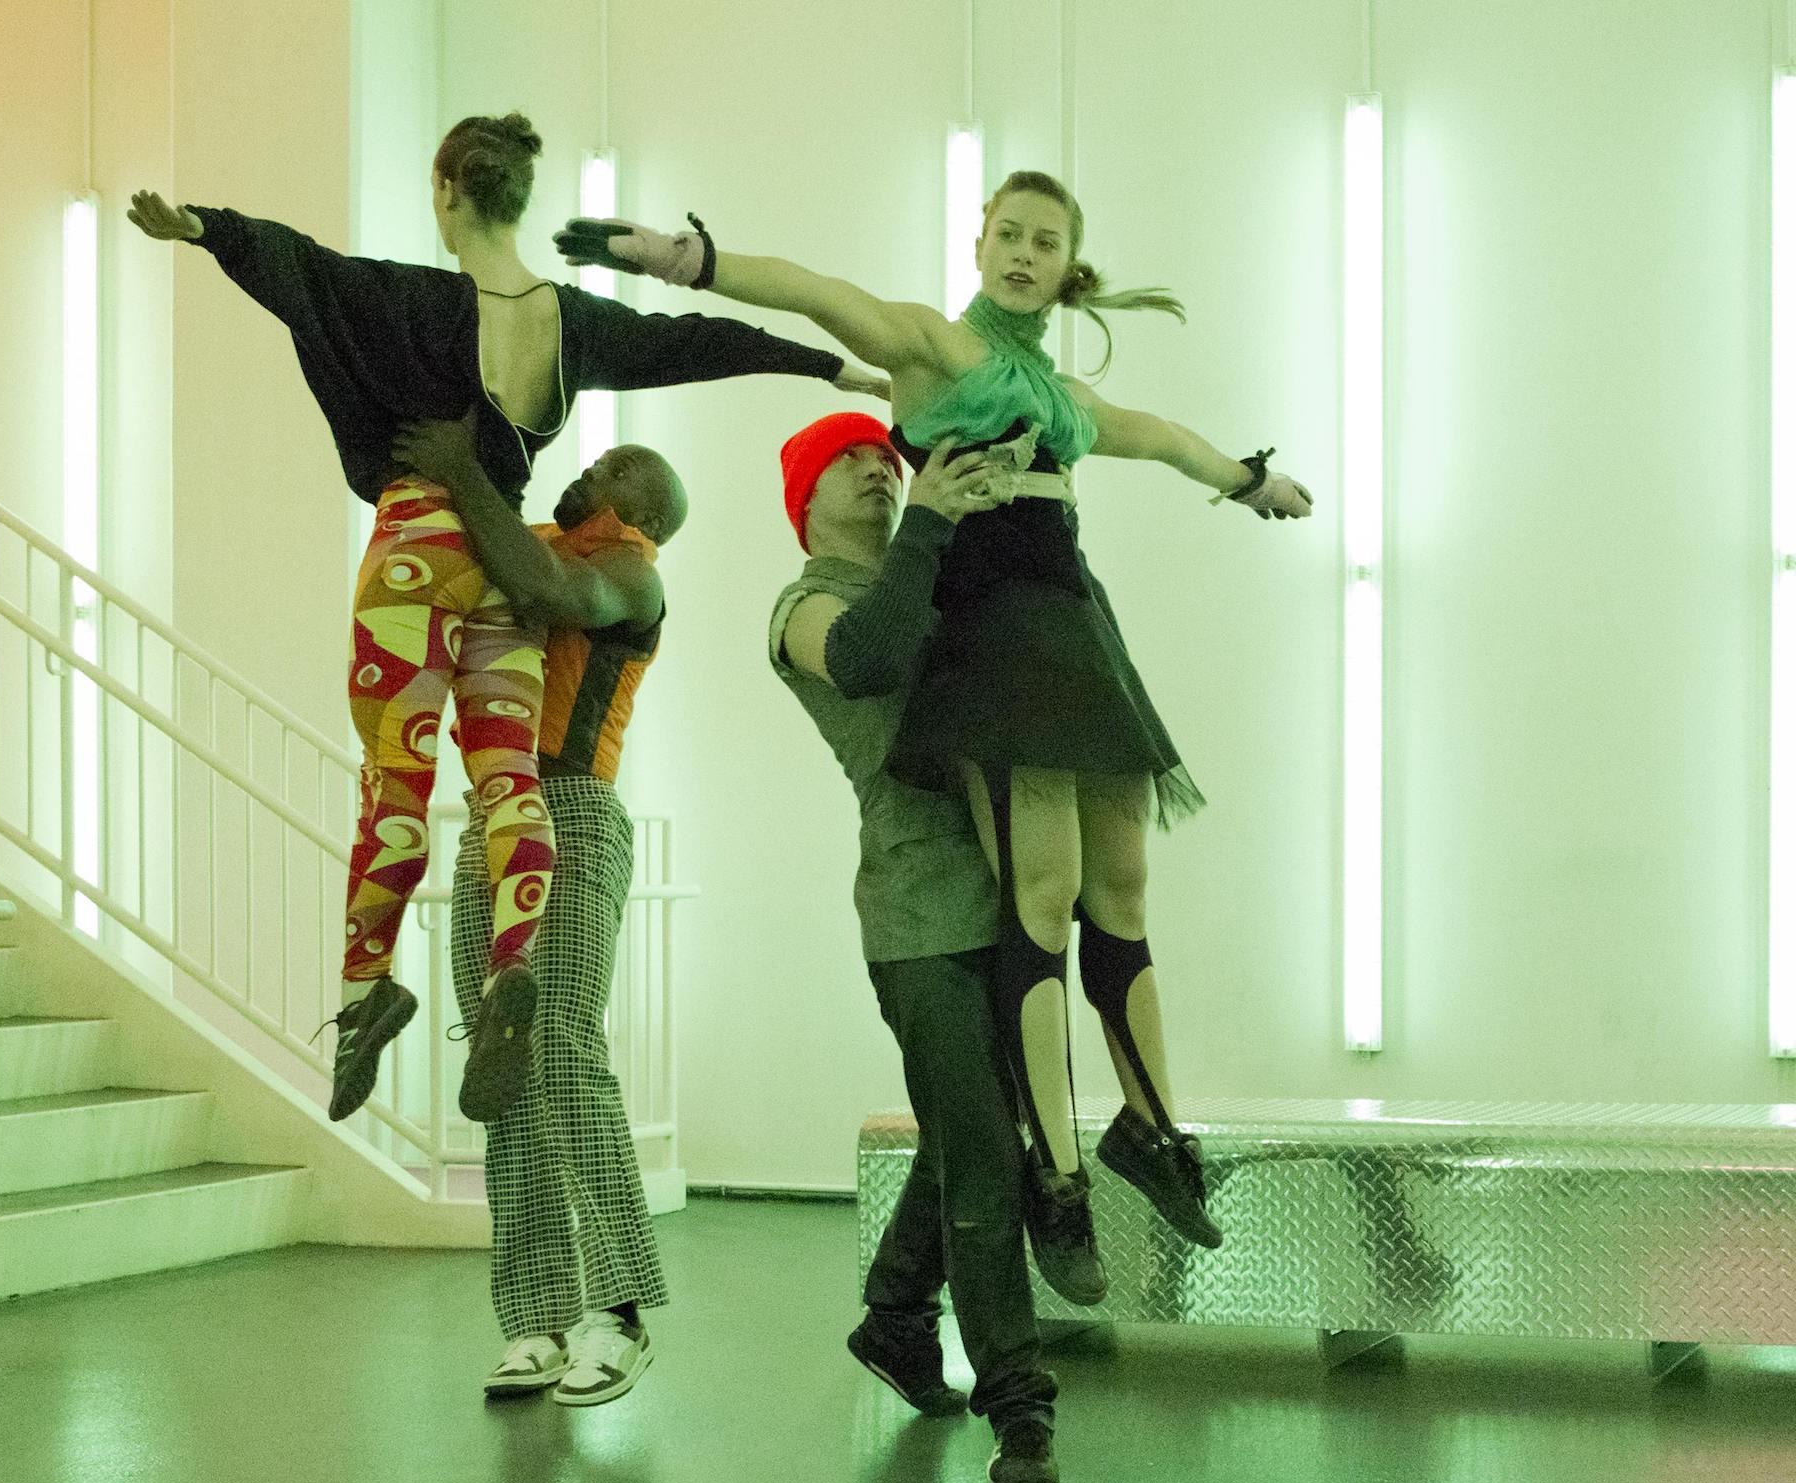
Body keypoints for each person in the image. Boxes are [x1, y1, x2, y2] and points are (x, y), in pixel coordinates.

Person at [555, 171, 1313, 1263]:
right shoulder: (933, 348)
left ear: (1065, 265)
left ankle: (1153, 1128)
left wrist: (1245, 480)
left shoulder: (1062, 399)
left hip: (1076, 628)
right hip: (997, 634)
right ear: (979, 244)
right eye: (1007, 234)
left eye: (1044, 241)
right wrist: (691, 262)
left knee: (1124, 888)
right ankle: (1056, 1177)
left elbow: (1155, 435)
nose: (1021, 253)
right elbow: (817, 293)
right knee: (1042, 895)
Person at [128, 111, 885, 1124]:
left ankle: (364, 995)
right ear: (520, 201)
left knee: (395, 781)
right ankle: (507, 974)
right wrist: (832, 368)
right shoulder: (567, 324)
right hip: (497, 561)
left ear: (447, 191)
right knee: (505, 779)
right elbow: (691, 344)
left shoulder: (403, 297)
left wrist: (203, 227)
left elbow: (297, 270)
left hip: (413, 557)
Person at [769, 412, 1078, 1483]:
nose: (874, 470)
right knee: (988, 1155)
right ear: (804, 500)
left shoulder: (929, 576)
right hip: (917, 916)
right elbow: (869, 662)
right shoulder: (807, 609)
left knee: (973, 1134)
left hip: (1012, 905)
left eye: (880, 458)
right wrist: (933, 527)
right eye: (847, 461)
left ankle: (898, 1313)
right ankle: (1020, 1405)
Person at [392, 415, 679, 1407]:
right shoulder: (532, 540)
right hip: (492, 823)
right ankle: (536, 1323)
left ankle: (622, 1311)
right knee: (501, 1065)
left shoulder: (632, 573)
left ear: (637, 510)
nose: (588, 470)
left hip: (571, 815)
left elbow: (553, 593)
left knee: (558, 1045)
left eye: (611, 471)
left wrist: (463, 472)